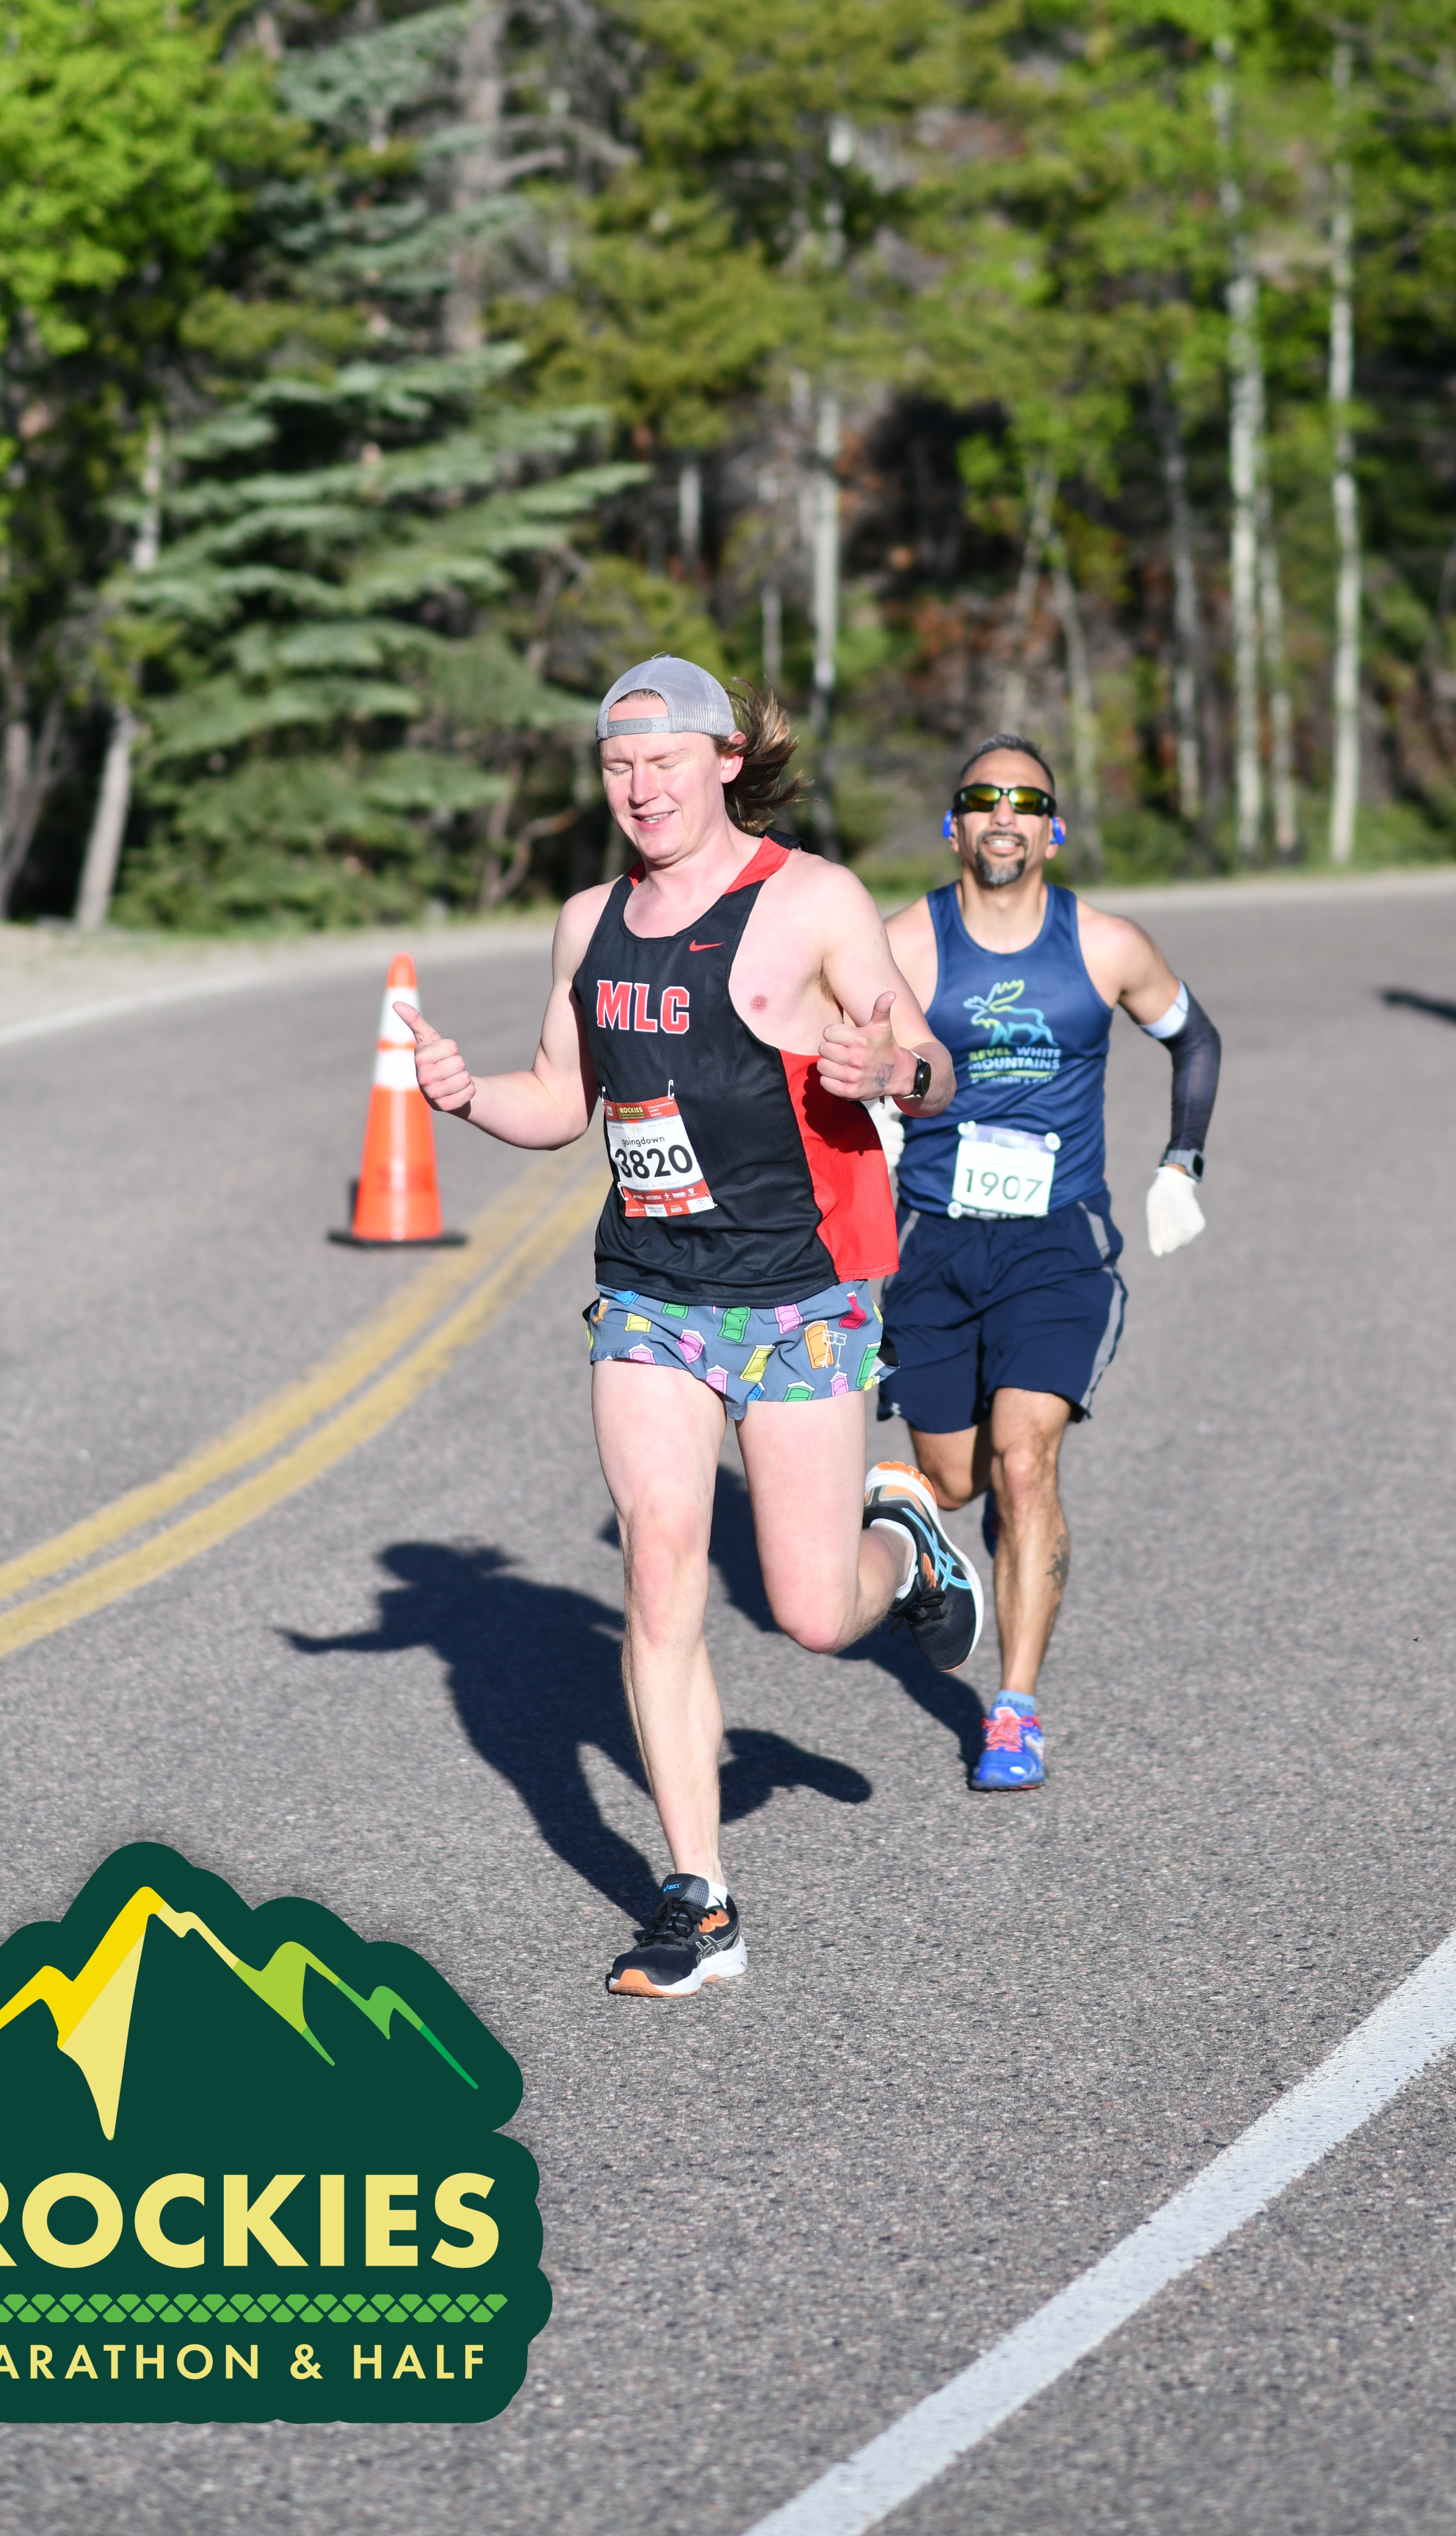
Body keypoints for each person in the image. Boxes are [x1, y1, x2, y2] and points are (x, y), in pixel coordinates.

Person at [398, 658, 978, 2001]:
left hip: (800, 1291)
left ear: (724, 761)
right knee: (659, 1569)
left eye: (663, 762)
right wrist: (467, 1094)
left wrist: (891, 1068)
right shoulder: (586, 923)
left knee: (812, 1612)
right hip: (651, 1294)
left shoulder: (813, 900)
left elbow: (933, 1067)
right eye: (617, 766)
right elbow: (564, 1102)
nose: (639, 788)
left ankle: (903, 1545)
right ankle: (697, 1899)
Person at [876, 732, 1220, 1791]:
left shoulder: (1106, 944)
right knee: (952, 1479)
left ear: (1052, 830)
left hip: (1056, 1242)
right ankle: (925, 1533)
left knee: (1025, 1462)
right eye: (982, 798)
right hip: (929, 1240)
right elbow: (826, 1062)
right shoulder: (902, 945)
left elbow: (1195, 1038)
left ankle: (1013, 1713)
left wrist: (1180, 1162)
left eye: (1024, 801)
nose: (1003, 815)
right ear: (953, 825)